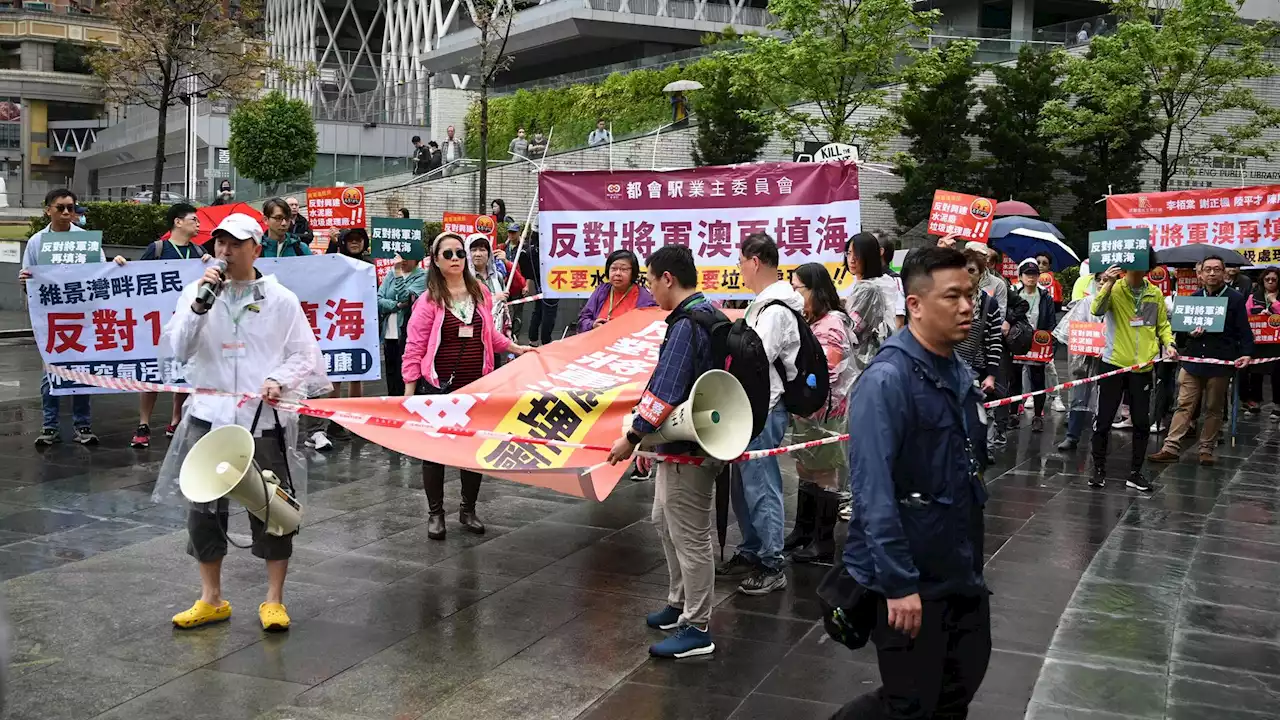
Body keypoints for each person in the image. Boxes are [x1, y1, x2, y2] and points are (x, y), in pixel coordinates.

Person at [830, 246, 990, 720]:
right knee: (909, 704)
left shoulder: (956, 369)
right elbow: (873, 494)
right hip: (910, 582)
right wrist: (899, 585)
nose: (966, 307)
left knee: (957, 691)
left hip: (960, 569)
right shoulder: (888, 381)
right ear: (915, 305)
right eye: (952, 297)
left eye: (970, 294)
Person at [157, 213, 330, 632]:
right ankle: (211, 597)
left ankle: (273, 600)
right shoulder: (196, 293)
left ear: (256, 248)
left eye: (235, 244)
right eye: (220, 243)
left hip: (261, 419)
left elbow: (305, 355)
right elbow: (178, 348)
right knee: (203, 510)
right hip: (208, 417)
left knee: (272, 507)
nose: (226, 251)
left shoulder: (280, 298)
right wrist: (201, 303)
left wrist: (279, 380)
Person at [606, 245, 720, 659]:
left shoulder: (688, 324)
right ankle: (678, 603)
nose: (649, 288)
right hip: (686, 442)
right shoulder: (706, 312)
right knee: (663, 519)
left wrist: (634, 436)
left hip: (689, 447)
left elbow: (666, 389)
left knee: (690, 536)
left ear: (668, 279)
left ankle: (697, 626)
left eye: (650, 279)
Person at [401, 233, 533, 539]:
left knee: (473, 450)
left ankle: (468, 509)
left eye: (459, 252)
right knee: (434, 452)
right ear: (435, 261)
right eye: (447, 254)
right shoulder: (429, 300)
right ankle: (436, 514)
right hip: (438, 388)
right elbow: (414, 348)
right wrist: (409, 392)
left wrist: (515, 349)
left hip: (476, 385)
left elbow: (490, 336)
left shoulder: (480, 292)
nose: (456, 258)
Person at [718, 233, 801, 595]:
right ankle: (752, 549)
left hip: (765, 406)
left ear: (754, 261)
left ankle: (771, 563)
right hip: (752, 405)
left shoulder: (775, 309)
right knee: (743, 482)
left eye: (740, 263)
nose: (740, 271)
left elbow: (755, 359)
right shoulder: (765, 305)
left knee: (761, 484)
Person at [21, 189, 127, 446]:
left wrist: (117, 264)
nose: (67, 212)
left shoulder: (86, 241)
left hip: (83, 317)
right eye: (60, 208)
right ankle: (49, 426)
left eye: (71, 207)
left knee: (81, 371)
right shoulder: (37, 242)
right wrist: (25, 280)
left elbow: (102, 273)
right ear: (48, 210)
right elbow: (28, 282)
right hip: (52, 320)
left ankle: (83, 425)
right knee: (51, 373)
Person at [1149, 255, 1253, 466]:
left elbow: (1244, 330)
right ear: (1200, 274)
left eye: (1217, 269)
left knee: (1214, 407)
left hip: (1220, 362)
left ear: (1224, 272)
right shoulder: (1194, 299)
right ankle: (1170, 447)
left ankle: (1206, 448)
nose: (1212, 273)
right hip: (1193, 361)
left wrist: (1247, 353)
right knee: (1184, 404)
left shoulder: (1234, 299)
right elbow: (1180, 334)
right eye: (1208, 269)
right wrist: (1190, 333)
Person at [785, 263, 855, 565]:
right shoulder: (813, 320)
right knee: (805, 467)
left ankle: (822, 541)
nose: (794, 294)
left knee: (824, 471)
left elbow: (827, 371)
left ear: (815, 290)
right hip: (808, 410)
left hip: (824, 411)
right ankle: (804, 530)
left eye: (798, 288)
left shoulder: (830, 325)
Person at [133, 202, 213, 449]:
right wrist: (120, 264)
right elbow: (135, 278)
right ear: (177, 222)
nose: (198, 224)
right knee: (152, 374)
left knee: (184, 368)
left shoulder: (200, 254)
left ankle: (176, 419)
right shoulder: (157, 249)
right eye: (193, 220)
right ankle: (144, 423)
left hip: (186, 322)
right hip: (157, 323)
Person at [1089, 264, 1175, 490]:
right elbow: (1097, 310)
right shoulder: (1115, 289)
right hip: (1113, 363)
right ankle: (1098, 469)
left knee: (1142, 422)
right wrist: (1107, 283)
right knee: (1104, 420)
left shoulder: (1153, 293)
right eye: (1131, 267)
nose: (1136, 272)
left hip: (1142, 367)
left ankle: (1136, 472)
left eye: (1141, 267)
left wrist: (1169, 343)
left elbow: (1161, 325)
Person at [1008, 260, 1055, 433]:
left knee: (1038, 380)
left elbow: (1050, 320)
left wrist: (1050, 344)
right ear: (1020, 276)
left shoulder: (1045, 296)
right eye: (1027, 274)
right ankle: (1013, 414)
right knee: (1014, 380)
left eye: (1034, 274)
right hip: (1017, 341)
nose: (1031, 277)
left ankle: (1037, 416)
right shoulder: (1014, 294)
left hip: (1038, 342)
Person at [958, 248, 1003, 403]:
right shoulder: (947, 299)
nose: (966, 274)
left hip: (976, 371)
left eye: (971, 270)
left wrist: (991, 376)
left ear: (981, 274)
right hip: (947, 369)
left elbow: (995, 342)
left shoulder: (989, 304)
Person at [377, 253, 425, 397]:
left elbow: (407, 298)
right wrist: (396, 305)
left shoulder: (423, 276)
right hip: (388, 333)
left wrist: (398, 274)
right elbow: (378, 300)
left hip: (408, 334)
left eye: (407, 257)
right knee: (391, 375)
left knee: (405, 376)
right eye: (400, 256)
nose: (402, 261)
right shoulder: (390, 275)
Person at [577, 249, 657, 333]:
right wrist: (592, 324)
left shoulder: (644, 298)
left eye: (623, 269)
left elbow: (649, 328)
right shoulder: (601, 291)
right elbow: (583, 319)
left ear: (633, 272)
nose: (618, 273)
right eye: (614, 268)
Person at [469, 233, 526, 350]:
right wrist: (494, 298)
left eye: (482, 250)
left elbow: (519, 284)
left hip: (496, 338)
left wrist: (507, 330)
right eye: (473, 250)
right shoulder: (463, 278)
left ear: (489, 253)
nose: (478, 254)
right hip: (473, 339)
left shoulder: (497, 276)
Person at [844, 231, 905, 329]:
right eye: (849, 253)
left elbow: (853, 329)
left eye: (857, 254)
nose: (851, 259)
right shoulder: (865, 283)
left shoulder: (869, 288)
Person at [1243, 268, 1280, 418]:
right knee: (1255, 374)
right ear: (1262, 280)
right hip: (1258, 340)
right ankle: (1255, 403)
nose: (1270, 282)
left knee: (1277, 375)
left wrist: (1274, 304)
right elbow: (1246, 314)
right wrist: (1259, 315)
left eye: (1274, 279)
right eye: (1267, 279)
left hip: (1277, 342)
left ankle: (1277, 405)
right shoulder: (1254, 297)